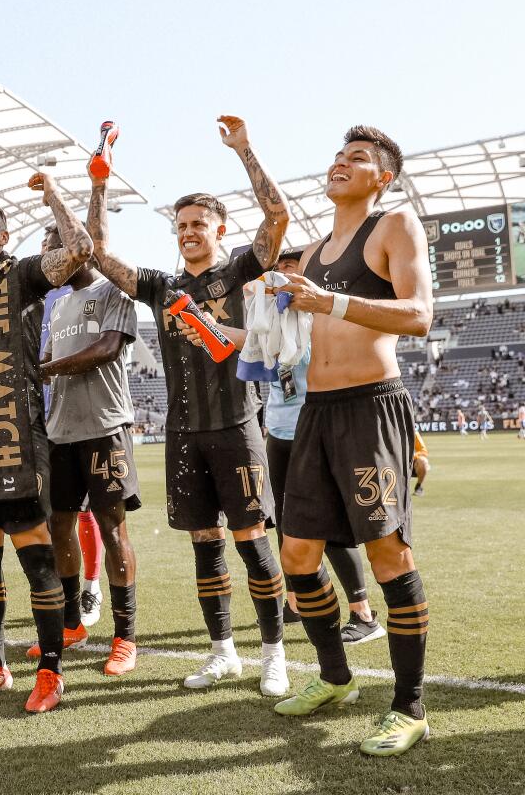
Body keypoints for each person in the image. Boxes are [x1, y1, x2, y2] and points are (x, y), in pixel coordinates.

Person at [88, 115, 291, 697]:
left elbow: (277, 220)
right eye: (181, 226)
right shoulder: (160, 288)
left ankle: (272, 654)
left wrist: (246, 151)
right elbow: (100, 252)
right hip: (184, 434)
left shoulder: (239, 271)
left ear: (220, 229)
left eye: (199, 223)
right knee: (206, 544)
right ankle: (223, 652)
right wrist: (100, 182)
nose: (188, 232)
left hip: (236, 426)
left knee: (252, 542)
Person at [274, 125, 434, 756]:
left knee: (388, 557)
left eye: (357, 159)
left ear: (382, 177)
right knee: (298, 558)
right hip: (316, 411)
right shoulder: (312, 252)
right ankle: (336, 677)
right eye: (337, 157)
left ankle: (410, 705)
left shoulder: (395, 226)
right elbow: (294, 336)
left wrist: (329, 302)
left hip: (371, 409)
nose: (340, 165)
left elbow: (419, 314)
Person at [0, 171, 92, 714]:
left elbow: (80, 248)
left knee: (35, 556)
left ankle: (50, 672)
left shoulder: (24, 275)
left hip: (13, 437)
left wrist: (51, 196)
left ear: (4, 237)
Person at [193, 250, 386, 645]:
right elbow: (249, 344)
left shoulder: (321, 317)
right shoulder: (272, 320)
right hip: (278, 432)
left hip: (314, 428)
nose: (282, 275)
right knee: (287, 523)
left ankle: (363, 613)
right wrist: (210, 324)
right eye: (277, 269)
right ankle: (297, 602)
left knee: (329, 528)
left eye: (291, 268)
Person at [38, 223, 142, 676]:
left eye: (50, 254)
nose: (46, 264)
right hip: (60, 433)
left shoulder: (114, 292)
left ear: (74, 251)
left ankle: (125, 637)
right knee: (58, 527)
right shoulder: (56, 307)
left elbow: (106, 348)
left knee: (113, 530)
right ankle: (71, 624)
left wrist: (49, 367)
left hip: (105, 429)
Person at [411, 430, 429, 496]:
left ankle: (418, 487)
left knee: (423, 461)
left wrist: (412, 456)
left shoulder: (413, 432)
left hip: (409, 462)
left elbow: (423, 451)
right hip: (393, 461)